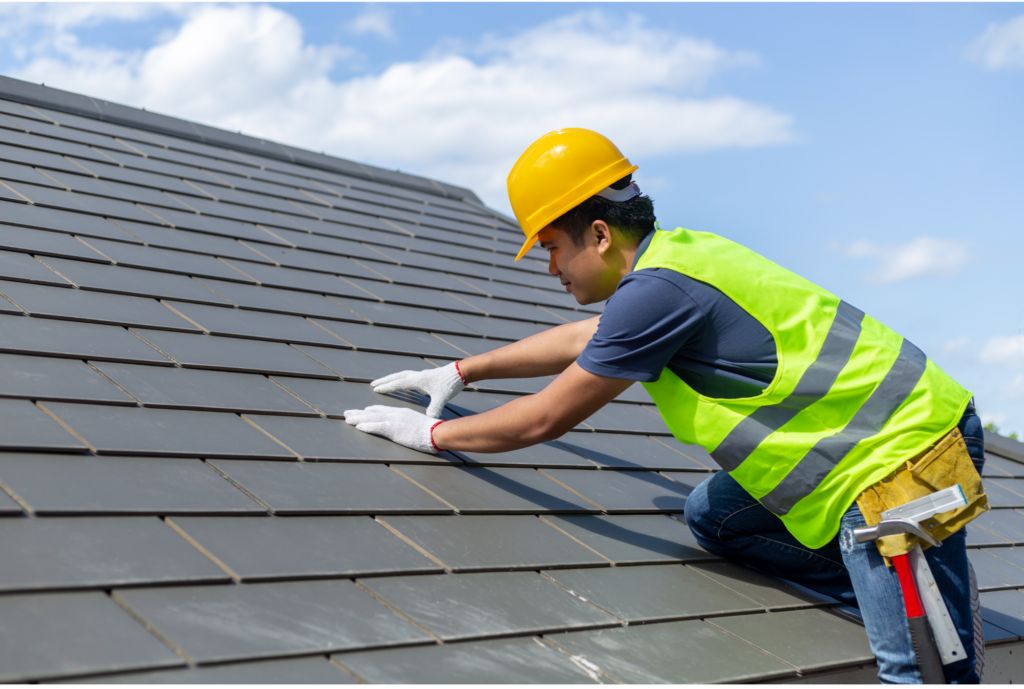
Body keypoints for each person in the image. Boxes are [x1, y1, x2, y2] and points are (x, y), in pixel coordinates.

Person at [344, 128, 986, 684]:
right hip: (872, 446)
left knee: (923, 674)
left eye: (551, 247)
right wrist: (459, 372)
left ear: (597, 234)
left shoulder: (658, 291)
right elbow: (581, 339)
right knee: (714, 517)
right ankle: (898, 592)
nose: (550, 268)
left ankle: (920, 609)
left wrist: (431, 437)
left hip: (902, 462)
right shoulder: (674, 259)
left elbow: (545, 418)